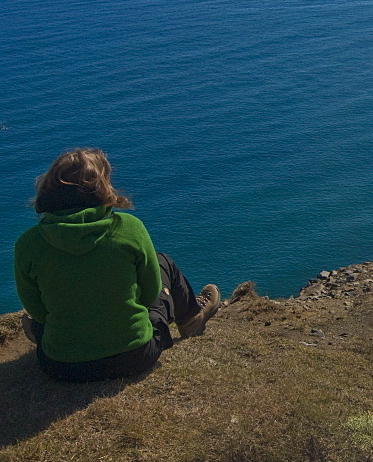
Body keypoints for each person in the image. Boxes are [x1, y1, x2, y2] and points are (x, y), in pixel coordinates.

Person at [14, 147, 220, 383]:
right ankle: (191, 320)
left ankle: (50, 336)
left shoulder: (27, 244)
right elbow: (151, 293)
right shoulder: (129, 228)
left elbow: (38, 310)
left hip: (62, 366)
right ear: (102, 186)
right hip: (136, 356)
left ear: (48, 189)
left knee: (37, 324)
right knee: (163, 262)